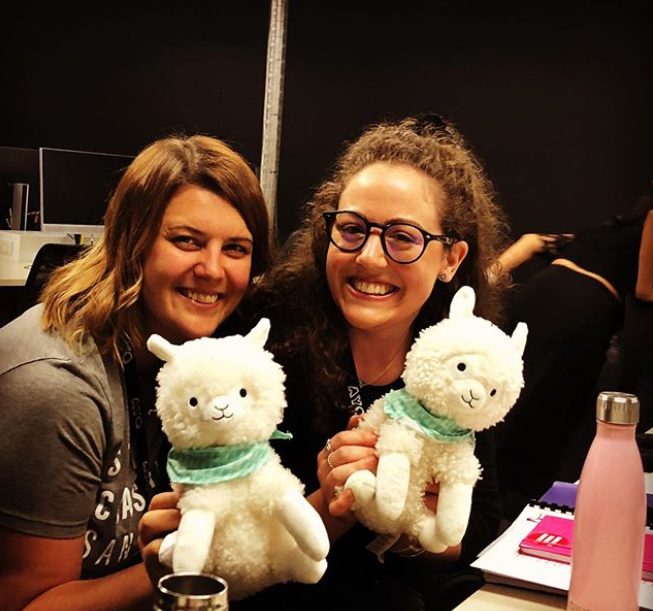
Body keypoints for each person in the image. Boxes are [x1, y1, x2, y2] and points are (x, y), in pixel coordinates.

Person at [226, 114, 511, 610]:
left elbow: (484, 511)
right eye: (353, 229)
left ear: (451, 258)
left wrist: (419, 527)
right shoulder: (262, 346)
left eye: (402, 237)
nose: (371, 258)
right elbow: (223, 545)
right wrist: (329, 506)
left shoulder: (460, 358)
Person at [0, 134, 272, 611]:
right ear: (132, 240)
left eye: (235, 248)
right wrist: (173, 574)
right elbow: (29, 604)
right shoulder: (56, 384)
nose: (212, 269)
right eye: (186, 241)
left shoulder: (187, 359)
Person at [494, 193, 653, 512]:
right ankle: (514, 502)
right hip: (581, 310)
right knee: (552, 408)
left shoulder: (605, 233)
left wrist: (481, 280)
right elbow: (645, 289)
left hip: (539, 293)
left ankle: (482, 490)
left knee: (504, 394)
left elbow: (531, 241)